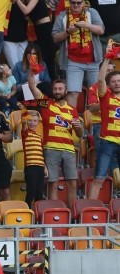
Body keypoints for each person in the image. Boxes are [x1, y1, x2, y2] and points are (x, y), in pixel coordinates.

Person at [27, 71, 83, 208]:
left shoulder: (72, 110)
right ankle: (55, 214)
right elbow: (32, 87)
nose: (57, 91)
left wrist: (79, 127)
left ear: (66, 90)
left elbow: (79, 134)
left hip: (69, 150)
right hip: (51, 149)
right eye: (55, 89)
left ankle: (72, 217)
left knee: (72, 184)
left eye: (60, 89)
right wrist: (32, 71)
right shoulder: (46, 103)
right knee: (53, 184)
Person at [52, 0, 104, 108]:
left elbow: (101, 30)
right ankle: (72, 121)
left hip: (93, 61)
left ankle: (94, 122)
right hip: (73, 61)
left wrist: (87, 25)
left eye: (79, 2)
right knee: (72, 92)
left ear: (84, 3)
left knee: (96, 93)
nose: (76, 5)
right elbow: (55, 38)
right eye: (73, 2)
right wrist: (67, 32)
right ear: (69, 3)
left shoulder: (92, 12)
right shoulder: (62, 16)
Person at [89, 56, 120, 200]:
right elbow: (101, 80)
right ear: (109, 85)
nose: (117, 84)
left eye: (119, 81)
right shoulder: (106, 96)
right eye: (113, 82)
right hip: (108, 142)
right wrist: (107, 59)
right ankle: (89, 213)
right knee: (99, 178)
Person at [21, 110, 47, 207]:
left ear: (38, 122)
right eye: (30, 120)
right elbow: (23, 125)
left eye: (35, 121)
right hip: (30, 167)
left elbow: (41, 154)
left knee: (39, 193)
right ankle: (26, 210)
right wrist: (25, 119)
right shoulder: (25, 133)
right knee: (30, 191)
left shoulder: (39, 136)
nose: (32, 123)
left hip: (40, 167)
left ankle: (37, 214)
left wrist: (45, 167)